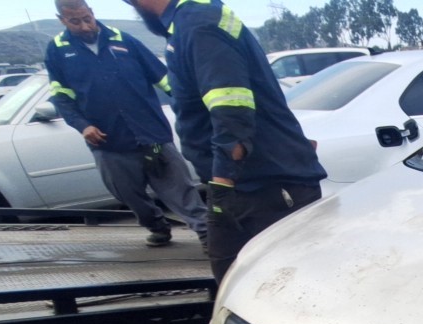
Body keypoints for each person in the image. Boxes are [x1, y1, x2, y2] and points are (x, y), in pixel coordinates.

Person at [125, 0, 327, 282]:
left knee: (269, 285)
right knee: (237, 280)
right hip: (248, 184)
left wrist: (222, 183)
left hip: (262, 187)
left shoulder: (198, 24)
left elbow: (231, 108)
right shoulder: (193, 20)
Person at [45, 0, 208, 248]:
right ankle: (157, 226)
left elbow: (164, 79)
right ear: (62, 20)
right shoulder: (58, 51)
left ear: (92, 12)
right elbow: (62, 98)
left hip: (151, 137)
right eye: (75, 21)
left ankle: (207, 235)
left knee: (180, 189)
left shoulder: (124, 40)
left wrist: (193, 104)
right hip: (110, 143)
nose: (85, 25)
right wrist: (83, 125)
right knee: (129, 195)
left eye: (87, 18)